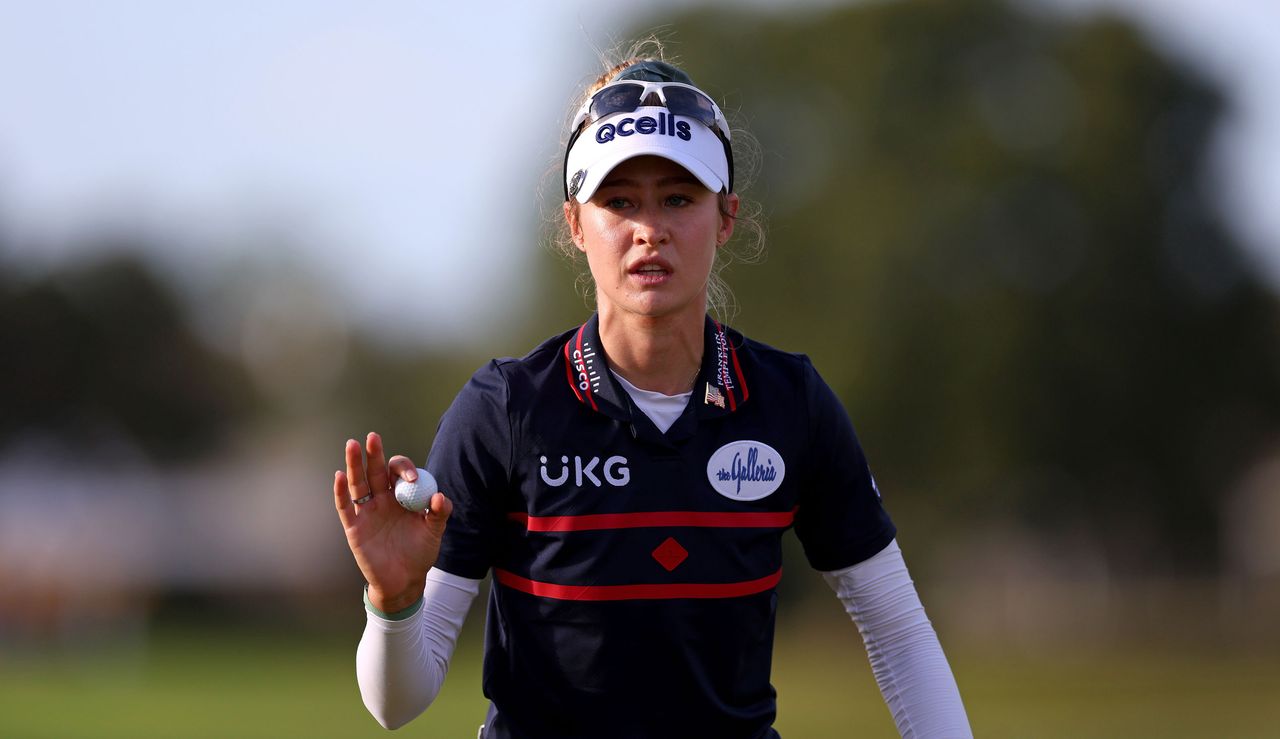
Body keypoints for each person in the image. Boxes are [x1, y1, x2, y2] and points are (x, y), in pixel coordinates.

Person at [333, 50, 972, 738]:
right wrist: (394, 601)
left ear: (726, 216)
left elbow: (901, 634)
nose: (649, 229)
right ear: (576, 224)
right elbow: (395, 706)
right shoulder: (506, 409)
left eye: (678, 198)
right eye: (619, 201)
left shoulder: (792, 402)